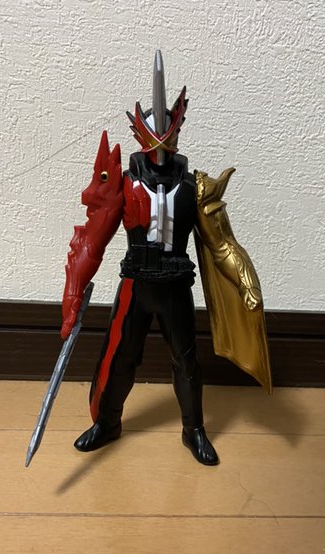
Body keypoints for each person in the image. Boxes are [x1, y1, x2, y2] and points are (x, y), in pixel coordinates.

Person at [61, 51, 271, 466]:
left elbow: (221, 246)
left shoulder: (194, 187)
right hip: (135, 286)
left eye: (167, 136)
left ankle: (194, 429)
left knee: (186, 362)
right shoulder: (125, 183)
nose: (160, 148)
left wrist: (246, 283)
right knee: (119, 357)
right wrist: (72, 294)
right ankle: (107, 421)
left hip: (175, 286)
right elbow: (93, 241)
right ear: (140, 133)